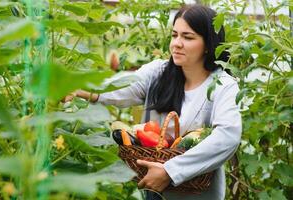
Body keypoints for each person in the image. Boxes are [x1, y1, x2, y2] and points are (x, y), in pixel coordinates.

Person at [63, 4, 242, 200]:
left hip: (198, 195)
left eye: (188, 37)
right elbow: (120, 86)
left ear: (208, 44)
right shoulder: (158, 72)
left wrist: (170, 171)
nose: (177, 43)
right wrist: (78, 87)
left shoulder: (223, 85)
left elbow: (227, 137)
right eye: (174, 35)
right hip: (154, 190)